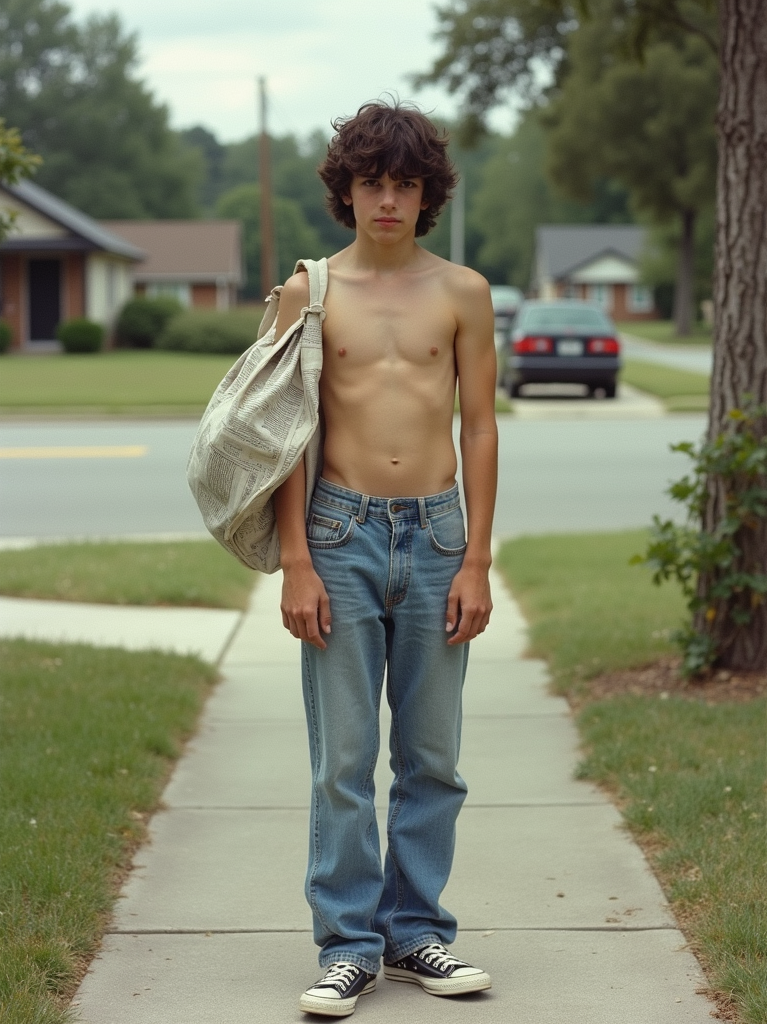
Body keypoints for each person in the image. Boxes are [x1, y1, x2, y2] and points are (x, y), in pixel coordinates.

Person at [272, 100, 498, 1018]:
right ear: (347, 190)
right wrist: (296, 557)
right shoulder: (309, 293)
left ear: (427, 192)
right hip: (339, 534)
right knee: (344, 759)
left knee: (433, 756)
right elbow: (286, 432)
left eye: (406, 184)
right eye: (374, 182)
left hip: (439, 539)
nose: (390, 200)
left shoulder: (463, 292)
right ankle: (348, 945)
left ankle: (419, 935)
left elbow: (480, 425)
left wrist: (478, 558)